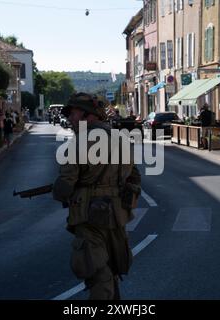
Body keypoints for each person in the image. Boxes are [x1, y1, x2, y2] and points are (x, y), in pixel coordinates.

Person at [53, 92, 141, 300]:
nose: (69, 119)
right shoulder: (121, 138)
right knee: (111, 268)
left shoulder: (80, 142)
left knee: (97, 272)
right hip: (117, 214)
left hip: (89, 216)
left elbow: (65, 185)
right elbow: (134, 175)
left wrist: (59, 191)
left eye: (73, 114)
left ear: (87, 115)